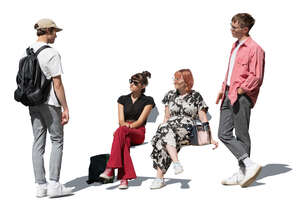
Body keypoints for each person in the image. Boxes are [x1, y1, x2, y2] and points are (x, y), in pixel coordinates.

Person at [216, 13, 265, 187]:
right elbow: (231, 71)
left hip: (241, 96)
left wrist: (241, 89)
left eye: (234, 27)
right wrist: (224, 89)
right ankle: (248, 166)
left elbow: (256, 76)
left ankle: (243, 172)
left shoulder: (255, 48)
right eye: (231, 25)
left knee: (241, 134)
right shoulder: (235, 46)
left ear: (245, 29)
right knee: (223, 133)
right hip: (229, 93)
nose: (231, 29)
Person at [27, 18, 74, 198]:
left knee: (38, 142)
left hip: (33, 102)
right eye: (55, 32)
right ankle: (54, 184)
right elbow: (58, 84)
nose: (56, 36)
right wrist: (66, 108)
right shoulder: (52, 53)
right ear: (48, 31)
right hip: (50, 103)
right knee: (57, 140)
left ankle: (40, 186)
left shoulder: (28, 51)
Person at [150, 69, 218, 189]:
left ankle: (160, 177)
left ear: (186, 81)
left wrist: (210, 138)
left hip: (186, 128)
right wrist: (162, 127)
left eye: (178, 79)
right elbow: (166, 117)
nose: (174, 81)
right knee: (163, 136)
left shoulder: (195, 96)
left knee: (164, 136)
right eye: (174, 78)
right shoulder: (169, 95)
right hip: (169, 128)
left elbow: (203, 117)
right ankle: (173, 166)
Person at [100, 71, 155, 189]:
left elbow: (140, 121)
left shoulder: (148, 101)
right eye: (131, 81)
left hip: (138, 131)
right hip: (124, 130)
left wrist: (128, 126)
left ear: (143, 86)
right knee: (124, 140)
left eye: (135, 82)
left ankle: (110, 168)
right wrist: (124, 127)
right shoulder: (122, 99)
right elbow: (120, 120)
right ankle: (124, 179)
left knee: (120, 132)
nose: (131, 84)